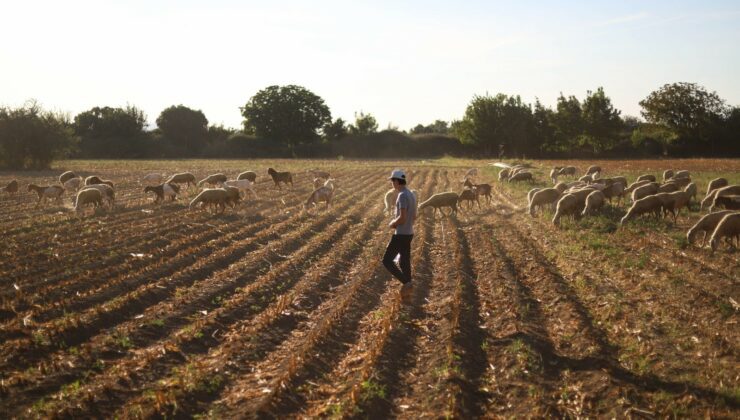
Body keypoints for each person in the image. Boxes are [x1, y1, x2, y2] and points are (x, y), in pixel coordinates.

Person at [381, 169, 417, 301]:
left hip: (401, 234)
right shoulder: (411, 194)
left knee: (387, 261)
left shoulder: (402, 195)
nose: (392, 183)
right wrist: (406, 224)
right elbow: (414, 216)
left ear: (396, 181)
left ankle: (407, 283)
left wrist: (393, 223)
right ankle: (407, 293)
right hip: (409, 233)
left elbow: (402, 217)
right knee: (404, 262)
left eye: (392, 181)